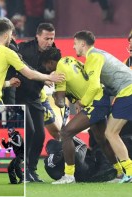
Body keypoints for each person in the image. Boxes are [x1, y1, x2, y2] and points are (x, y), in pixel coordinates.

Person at [40, 47, 121, 184]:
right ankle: (120, 172)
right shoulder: (70, 60)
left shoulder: (59, 71)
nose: (46, 68)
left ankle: (69, 176)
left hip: (94, 102)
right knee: (101, 139)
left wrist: (55, 95)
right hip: (100, 98)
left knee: (65, 133)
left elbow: (60, 103)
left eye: (45, 65)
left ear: (50, 62)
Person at [73, 30, 132, 183]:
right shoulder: (98, 55)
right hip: (126, 91)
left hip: (128, 91)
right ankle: (126, 171)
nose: (73, 47)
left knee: (111, 133)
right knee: (111, 133)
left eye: (75, 44)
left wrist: (82, 103)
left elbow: (93, 87)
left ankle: (129, 172)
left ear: (82, 44)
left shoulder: (93, 56)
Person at [0, 18, 64, 105]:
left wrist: (8, 83)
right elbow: (29, 72)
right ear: (6, 35)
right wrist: (48, 77)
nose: (11, 39)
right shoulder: (8, 51)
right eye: (11, 35)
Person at [15, 22, 57, 182]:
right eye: (46, 38)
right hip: (19, 96)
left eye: (52, 38)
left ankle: (31, 170)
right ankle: (22, 168)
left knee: (40, 133)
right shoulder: (23, 49)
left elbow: (56, 71)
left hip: (34, 97)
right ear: (37, 36)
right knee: (30, 131)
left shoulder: (54, 52)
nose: (49, 42)